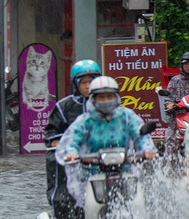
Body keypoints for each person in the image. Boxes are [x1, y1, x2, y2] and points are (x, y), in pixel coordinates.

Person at [55, 76, 156, 209]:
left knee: (138, 205)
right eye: (101, 97)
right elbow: (73, 138)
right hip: (92, 176)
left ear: (116, 97)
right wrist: (71, 152)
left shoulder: (127, 116)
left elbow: (140, 134)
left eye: (109, 96)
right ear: (93, 99)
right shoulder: (85, 120)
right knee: (85, 208)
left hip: (124, 172)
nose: (106, 101)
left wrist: (147, 149)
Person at [43, 60, 101, 219]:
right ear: (76, 84)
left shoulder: (108, 104)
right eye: (83, 82)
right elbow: (52, 135)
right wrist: (68, 149)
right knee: (63, 196)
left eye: (92, 81)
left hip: (100, 159)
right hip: (71, 161)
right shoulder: (64, 106)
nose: (88, 86)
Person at [163, 52, 189, 157]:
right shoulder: (175, 80)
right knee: (171, 139)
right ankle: (169, 163)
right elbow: (168, 96)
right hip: (178, 115)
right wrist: (170, 105)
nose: (188, 66)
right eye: (185, 64)